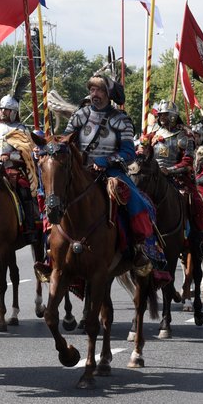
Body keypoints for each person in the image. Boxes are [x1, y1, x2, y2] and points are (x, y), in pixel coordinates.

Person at [64, 73, 165, 276]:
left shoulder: (121, 120)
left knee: (136, 202)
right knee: (54, 198)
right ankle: (51, 253)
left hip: (111, 172)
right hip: (80, 170)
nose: (95, 94)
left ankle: (139, 250)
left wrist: (106, 161)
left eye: (99, 90)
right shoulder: (79, 116)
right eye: (92, 90)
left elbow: (128, 153)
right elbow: (67, 142)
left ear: (108, 94)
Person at [0, 95, 38, 242]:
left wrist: (10, 156)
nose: (2, 112)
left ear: (13, 112)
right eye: (1, 109)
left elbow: (27, 152)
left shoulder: (21, 129)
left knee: (24, 190)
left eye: (6, 110)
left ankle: (30, 227)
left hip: (13, 170)